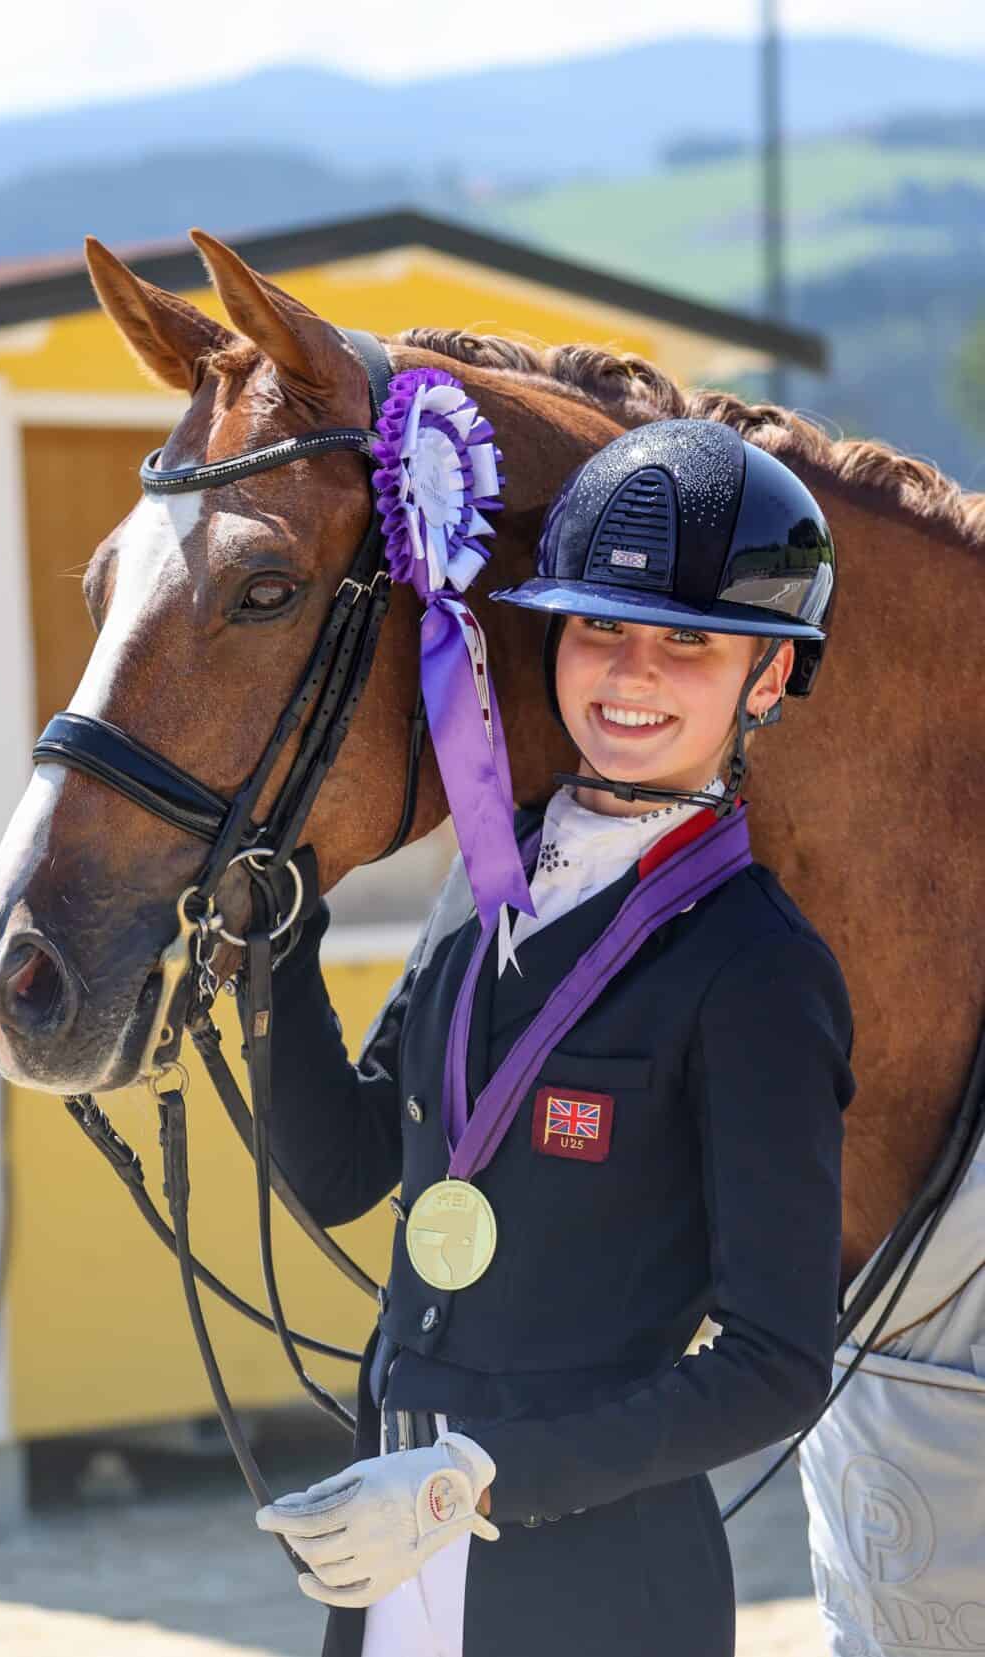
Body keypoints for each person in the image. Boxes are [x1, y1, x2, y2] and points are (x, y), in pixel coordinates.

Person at [250, 417, 855, 1657]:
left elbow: (774, 1363)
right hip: (390, 1541)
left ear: (770, 678)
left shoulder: (757, 970)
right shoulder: (486, 879)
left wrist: (473, 1478)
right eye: (598, 628)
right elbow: (347, 1165)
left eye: (688, 642)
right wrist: (273, 958)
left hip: (592, 1583)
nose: (628, 676)